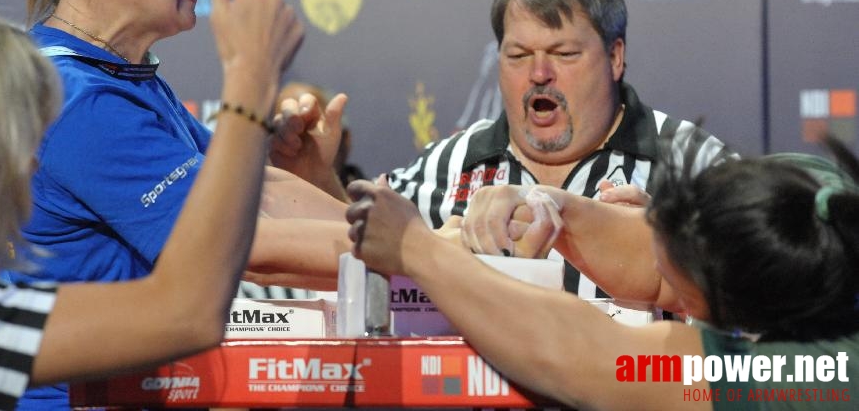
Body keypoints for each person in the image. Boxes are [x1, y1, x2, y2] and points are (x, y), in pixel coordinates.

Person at [0, 0, 349, 410]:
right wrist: (429, 256)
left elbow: (252, 195)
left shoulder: (117, 77)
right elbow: (242, 243)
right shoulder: (73, 96)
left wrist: (422, 242)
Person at [271, 0, 737, 297]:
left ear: (615, 58)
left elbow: (768, 287)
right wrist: (317, 177)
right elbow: (362, 252)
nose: (538, 74)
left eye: (563, 54)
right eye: (518, 56)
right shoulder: (450, 162)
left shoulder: (691, 162)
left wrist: (672, 244)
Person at [343, 137, 859, 410]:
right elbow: (648, 257)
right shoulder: (818, 199)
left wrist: (418, 250)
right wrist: (550, 202)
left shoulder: (802, 377)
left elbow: (582, 357)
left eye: (676, 286)